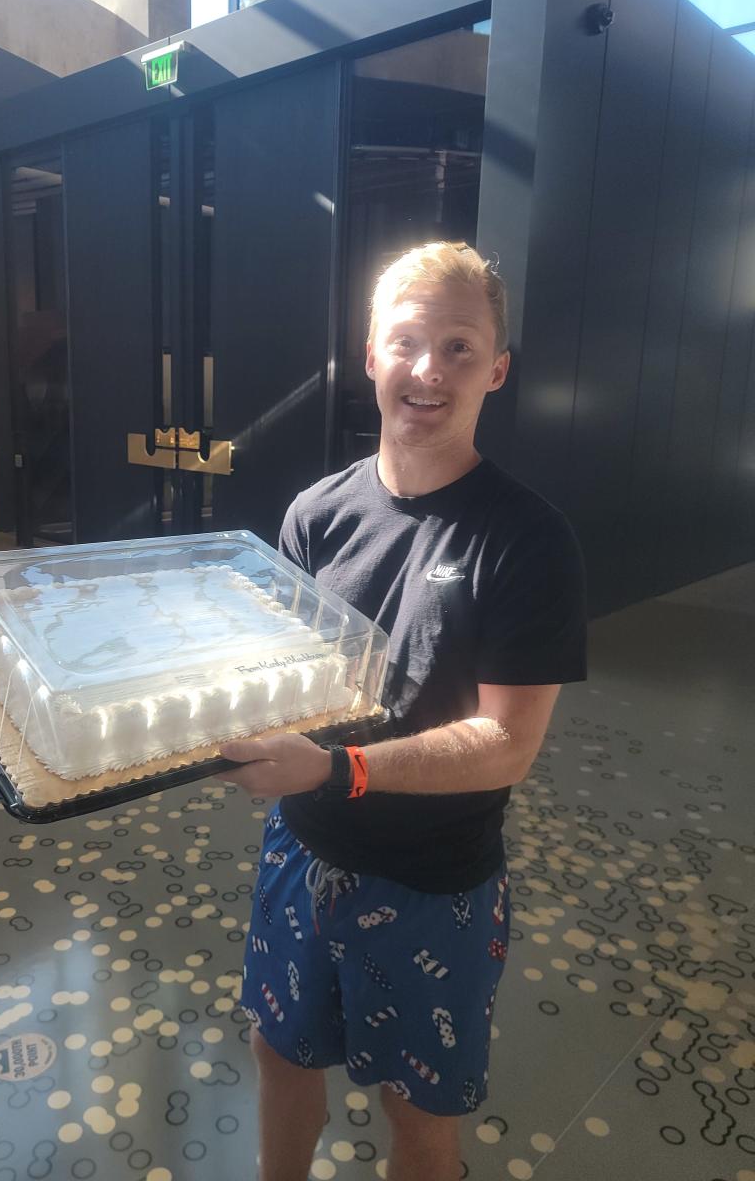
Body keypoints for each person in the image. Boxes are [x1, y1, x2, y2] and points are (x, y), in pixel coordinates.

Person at [218, 240, 587, 1181]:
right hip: (299, 851)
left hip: (435, 886)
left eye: (459, 347)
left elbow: (507, 744)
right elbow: (289, 678)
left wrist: (338, 768)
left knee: (417, 1113)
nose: (429, 370)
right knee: (278, 1054)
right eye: (407, 342)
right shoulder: (315, 514)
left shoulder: (527, 538)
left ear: (496, 370)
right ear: (371, 353)